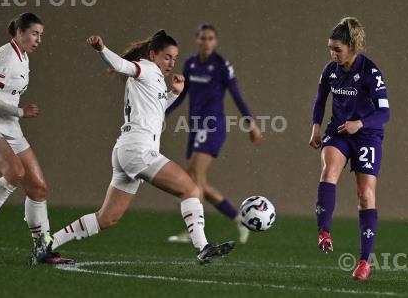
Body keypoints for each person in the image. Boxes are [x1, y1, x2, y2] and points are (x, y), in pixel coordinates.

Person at [36, 30, 235, 264]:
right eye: (167, 57)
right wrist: (102, 49)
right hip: (139, 150)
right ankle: (202, 248)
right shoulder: (145, 67)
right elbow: (121, 64)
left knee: (107, 218)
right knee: (190, 190)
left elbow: (156, 110)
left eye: (174, 58)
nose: (171, 63)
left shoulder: (155, 78)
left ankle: (48, 244)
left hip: (126, 150)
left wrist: (173, 94)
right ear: (153, 54)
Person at [0, 13, 72, 265]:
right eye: (34, 33)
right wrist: (19, 112)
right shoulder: (7, 56)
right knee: (15, 172)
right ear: (19, 32)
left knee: (38, 187)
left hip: (8, 125)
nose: (38, 39)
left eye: (41, 35)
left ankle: (43, 248)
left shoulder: (23, 57)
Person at [165, 24, 264, 244]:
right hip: (194, 127)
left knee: (194, 179)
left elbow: (237, 96)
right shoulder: (190, 64)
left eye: (210, 38)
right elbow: (182, 96)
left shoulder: (221, 66)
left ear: (215, 42)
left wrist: (252, 124)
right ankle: (238, 219)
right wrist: (162, 111)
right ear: (197, 40)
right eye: (203, 38)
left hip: (212, 126)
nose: (207, 42)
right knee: (195, 181)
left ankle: (194, 232)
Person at [309, 17, 390, 281]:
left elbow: (385, 113)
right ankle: (324, 232)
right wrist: (316, 127)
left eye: (337, 49)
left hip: (367, 136)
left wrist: (361, 123)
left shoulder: (370, 72)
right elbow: (320, 99)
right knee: (329, 168)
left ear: (353, 46)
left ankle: (364, 262)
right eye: (330, 48)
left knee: (365, 195)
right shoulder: (330, 70)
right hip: (340, 132)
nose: (333, 54)